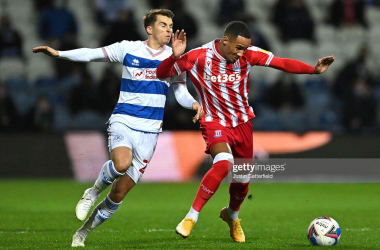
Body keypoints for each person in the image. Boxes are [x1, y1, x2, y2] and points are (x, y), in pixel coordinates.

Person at [32, 9, 204, 247]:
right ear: (149, 28)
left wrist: (193, 102)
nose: (169, 29)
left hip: (151, 130)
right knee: (121, 163)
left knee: (118, 193)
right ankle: (92, 193)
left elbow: (179, 91)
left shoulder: (175, 57)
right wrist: (59, 53)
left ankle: (82, 233)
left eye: (171, 25)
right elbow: (92, 55)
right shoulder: (128, 48)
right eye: (163, 25)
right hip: (125, 119)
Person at [156, 21, 334, 242]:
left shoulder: (249, 54)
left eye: (245, 49)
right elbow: (161, 73)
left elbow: (282, 63)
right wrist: (175, 57)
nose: (241, 53)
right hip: (213, 121)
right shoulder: (198, 56)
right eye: (238, 48)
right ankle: (191, 217)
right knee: (223, 163)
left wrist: (313, 70)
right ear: (224, 41)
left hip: (242, 123)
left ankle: (232, 215)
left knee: (242, 180)